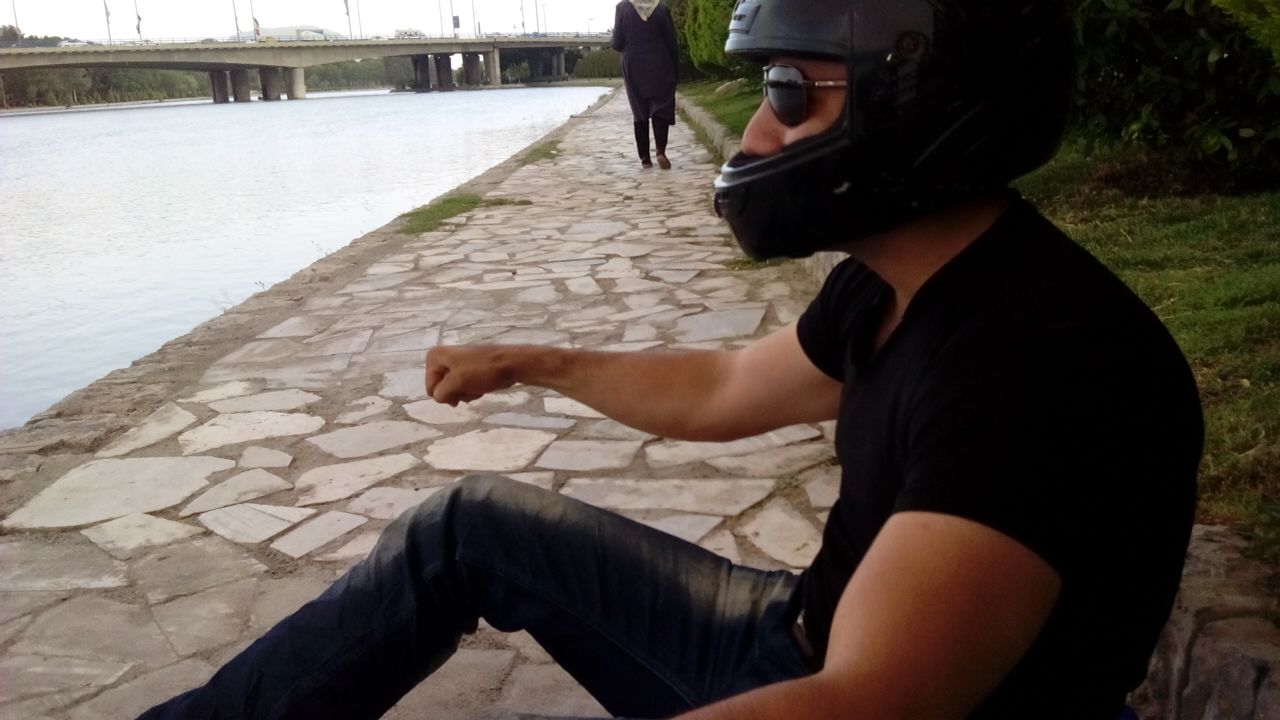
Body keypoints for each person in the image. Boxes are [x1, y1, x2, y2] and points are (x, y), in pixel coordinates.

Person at [141, 0, 1203, 718]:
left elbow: (868, 702)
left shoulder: (1038, 365)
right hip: (801, 629)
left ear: (926, 97)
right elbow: (725, 387)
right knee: (462, 529)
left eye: (790, 96)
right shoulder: (894, 279)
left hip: (816, 676)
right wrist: (532, 361)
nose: (752, 138)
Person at [611, 0, 679, 169]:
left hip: (633, 64)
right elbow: (671, 42)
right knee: (661, 107)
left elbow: (617, 43)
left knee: (639, 110)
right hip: (660, 62)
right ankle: (660, 151)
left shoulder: (622, 8)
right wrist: (676, 69)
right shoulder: (661, 8)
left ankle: (645, 158)